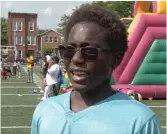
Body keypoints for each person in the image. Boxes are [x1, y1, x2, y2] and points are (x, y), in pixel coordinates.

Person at [31, 4, 162, 134]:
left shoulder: (140, 121)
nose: (76, 59)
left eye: (89, 52)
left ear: (115, 59)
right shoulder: (45, 110)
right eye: (69, 50)